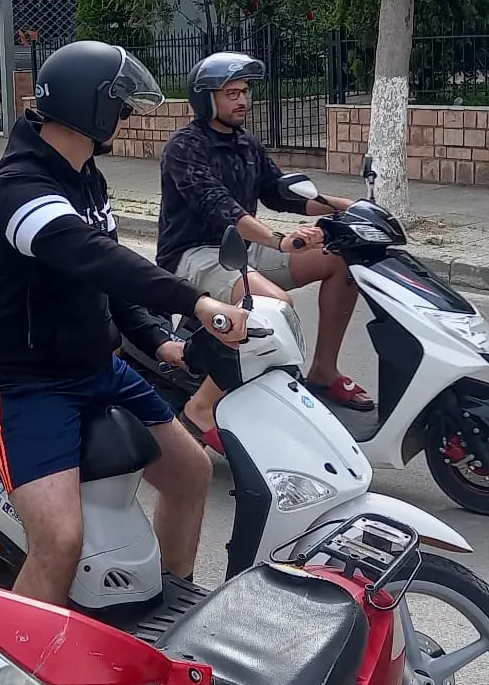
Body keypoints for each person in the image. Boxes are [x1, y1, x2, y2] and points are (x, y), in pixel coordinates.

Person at [0, 40, 248, 608]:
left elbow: (106, 285)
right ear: (89, 106)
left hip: (94, 368)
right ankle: (13, 661)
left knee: (190, 472)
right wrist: (198, 302)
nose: (126, 115)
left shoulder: (85, 177)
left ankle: (170, 607)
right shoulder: (18, 189)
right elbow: (97, 258)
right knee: (60, 542)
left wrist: (164, 344)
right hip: (20, 382)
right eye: (119, 104)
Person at [157, 52, 370, 455]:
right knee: (274, 304)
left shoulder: (245, 143)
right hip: (193, 254)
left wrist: (347, 206)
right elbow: (220, 207)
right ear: (206, 98)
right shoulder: (185, 147)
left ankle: (323, 370)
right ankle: (201, 407)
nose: (243, 100)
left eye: (245, 91)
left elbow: (280, 192)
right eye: (232, 93)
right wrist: (280, 240)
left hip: (243, 250)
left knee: (341, 258)